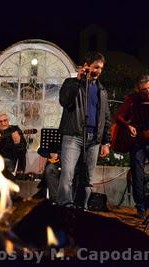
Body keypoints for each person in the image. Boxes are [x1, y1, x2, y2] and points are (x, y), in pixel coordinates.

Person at [57, 52, 111, 209]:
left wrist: (106, 142)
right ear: (87, 66)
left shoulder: (102, 91)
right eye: (96, 67)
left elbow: (106, 117)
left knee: (87, 178)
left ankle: (82, 207)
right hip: (74, 135)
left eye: (101, 68)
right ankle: (65, 206)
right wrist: (78, 80)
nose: (98, 71)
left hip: (94, 139)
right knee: (67, 174)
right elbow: (65, 101)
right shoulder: (71, 83)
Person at [115, 74, 149, 219]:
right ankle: (141, 209)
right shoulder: (132, 99)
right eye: (143, 90)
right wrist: (128, 126)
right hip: (137, 143)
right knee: (137, 177)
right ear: (137, 90)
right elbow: (119, 116)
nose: (147, 92)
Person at [0, 111, 27, 195]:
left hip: (10, 160)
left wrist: (17, 143)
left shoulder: (15, 130)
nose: (3, 123)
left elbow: (22, 152)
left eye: (5, 120)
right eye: (0, 121)